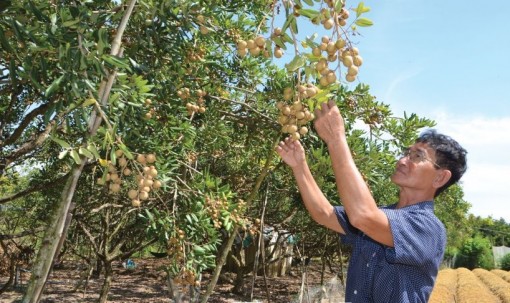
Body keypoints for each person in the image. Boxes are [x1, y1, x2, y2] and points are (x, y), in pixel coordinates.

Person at [275, 100, 467, 303]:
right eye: (406, 153)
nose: (402, 160)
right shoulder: (382, 216)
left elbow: (362, 215)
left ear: (440, 178)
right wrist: (299, 166)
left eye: (417, 156)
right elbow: (324, 214)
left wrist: (336, 139)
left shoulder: (428, 229)